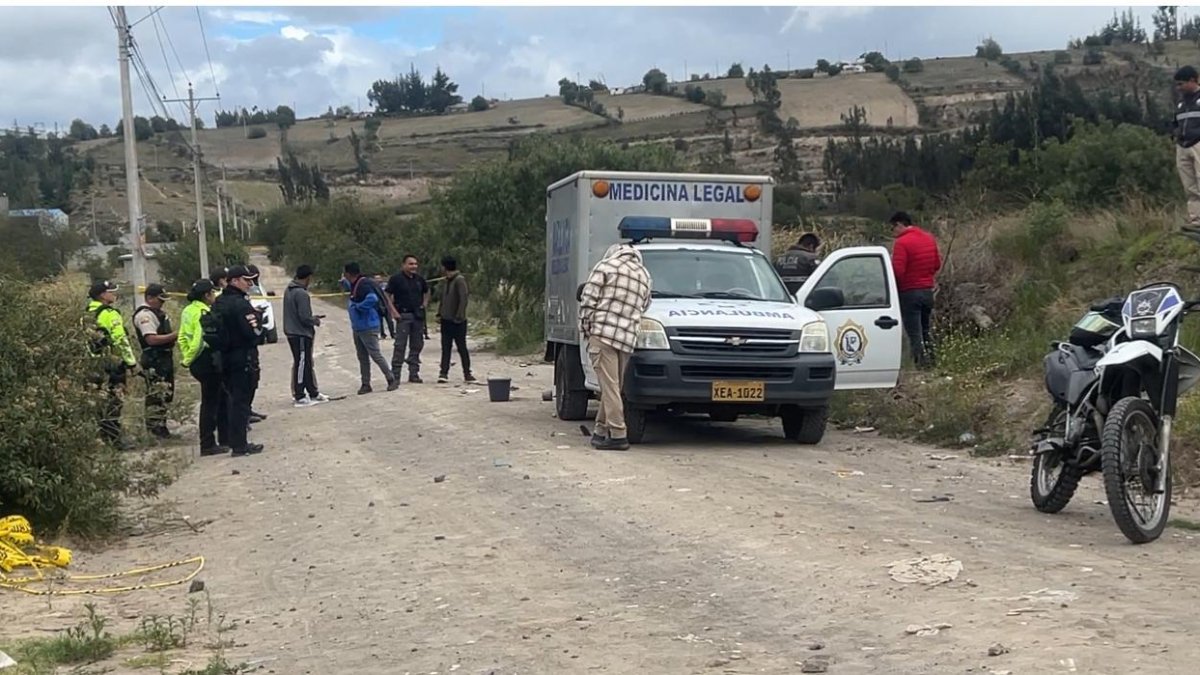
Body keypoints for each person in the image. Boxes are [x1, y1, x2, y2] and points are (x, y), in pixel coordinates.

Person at [579, 244, 652, 451]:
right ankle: (600, 431)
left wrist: (587, 329)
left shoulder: (605, 267)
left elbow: (587, 300)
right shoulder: (643, 274)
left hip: (603, 334)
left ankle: (618, 434)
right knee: (613, 387)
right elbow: (645, 305)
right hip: (627, 339)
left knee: (609, 387)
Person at [213, 265, 264, 456]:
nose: (250, 284)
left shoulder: (219, 302)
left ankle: (231, 439)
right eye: (246, 280)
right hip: (242, 356)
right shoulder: (240, 304)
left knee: (231, 399)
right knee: (241, 402)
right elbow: (254, 332)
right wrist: (259, 323)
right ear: (234, 281)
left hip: (223, 357)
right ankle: (240, 445)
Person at [178, 279, 230, 455]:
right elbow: (200, 340)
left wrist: (187, 358)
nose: (214, 296)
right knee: (211, 402)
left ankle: (223, 438)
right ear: (206, 295)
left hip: (196, 360)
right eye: (212, 293)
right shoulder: (203, 312)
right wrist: (190, 358)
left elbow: (182, 337)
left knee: (218, 398)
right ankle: (208, 443)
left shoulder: (187, 310)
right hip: (206, 359)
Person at [87, 280, 137, 448]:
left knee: (98, 401)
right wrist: (131, 362)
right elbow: (120, 339)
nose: (114, 294)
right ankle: (115, 439)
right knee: (115, 401)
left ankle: (102, 437)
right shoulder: (110, 313)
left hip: (92, 363)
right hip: (112, 363)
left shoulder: (86, 313)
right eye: (111, 291)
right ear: (102, 295)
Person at [889, 211, 942, 368]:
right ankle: (932, 363)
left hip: (909, 292)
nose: (893, 233)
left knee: (914, 333)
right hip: (927, 291)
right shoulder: (929, 238)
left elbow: (898, 271)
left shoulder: (902, 243)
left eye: (893, 229)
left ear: (899, 224)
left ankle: (920, 366)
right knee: (926, 330)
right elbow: (936, 264)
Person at [343, 262, 399, 394]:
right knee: (362, 357)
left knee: (375, 355)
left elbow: (372, 299)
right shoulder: (355, 283)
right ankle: (365, 384)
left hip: (367, 325)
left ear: (348, 273)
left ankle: (391, 379)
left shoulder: (363, 284)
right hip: (358, 326)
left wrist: (359, 307)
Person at [132, 283, 178, 439]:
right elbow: (151, 339)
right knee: (156, 394)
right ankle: (154, 430)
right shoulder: (145, 315)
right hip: (154, 358)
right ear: (149, 298)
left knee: (165, 393)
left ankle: (161, 427)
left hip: (163, 357)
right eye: (160, 299)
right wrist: (175, 335)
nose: (162, 302)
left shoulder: (158, 313)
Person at [283, 264, 330, 407]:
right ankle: (299, 395)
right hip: (300, 333)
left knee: (307, 362)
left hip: (292, 331)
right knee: (302, 363)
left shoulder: (289, 290)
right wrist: (314, 320)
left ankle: (313, 392)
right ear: (308, 277)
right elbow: (304, 317)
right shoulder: (301, 294)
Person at [386, 254, 431, 383]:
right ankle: (396, 375)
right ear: (403, 265)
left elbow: (426, 291)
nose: (413, 266)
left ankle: (414, 373)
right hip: (403, 316)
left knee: (417, 345)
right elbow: (387, 295)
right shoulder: (396, 279)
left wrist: (424, 304)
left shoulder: (419, 279)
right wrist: (393, 311)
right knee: (400, 345)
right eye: (411, 264)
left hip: (417, 316)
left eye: (415, 264)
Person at [437, 256, 476, 384]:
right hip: (445, 320)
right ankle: (443, 373)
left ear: (444, 267)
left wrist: (459, 316)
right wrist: (439, 313)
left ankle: (467, 373)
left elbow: (463, 298)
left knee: (461, 347)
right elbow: (443, 299)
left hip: (457, 321)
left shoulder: (459, 280)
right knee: (446, 347)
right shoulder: (447, 281)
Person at [1175, 66, 1200, 229]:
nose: (1179, 88)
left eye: (1181, 84)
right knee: (1189, 186)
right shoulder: (1181, 104)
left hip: (1198, 144)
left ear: (1192, 80)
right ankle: (1196, 219)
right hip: (1182, 146)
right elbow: (1175, 123)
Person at [244, 264, 268, 423]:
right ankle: (243, 416)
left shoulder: (245, 295)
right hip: (242, 349)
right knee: (244, 384)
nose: (250, 284)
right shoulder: (231, 300)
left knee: (253, 380)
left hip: (250, 347)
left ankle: (248, 410)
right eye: (248, 280)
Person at [374, 272, 396, 339]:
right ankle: (382, 334)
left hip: (386, 304)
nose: (378, 280)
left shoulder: (385, 285)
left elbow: (390, 294)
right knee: (379, 321)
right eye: (376, 279)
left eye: (379, 278)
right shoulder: (374, 287)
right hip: (378, 305)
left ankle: (393, 333)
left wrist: (391, 302)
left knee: (390, 320)